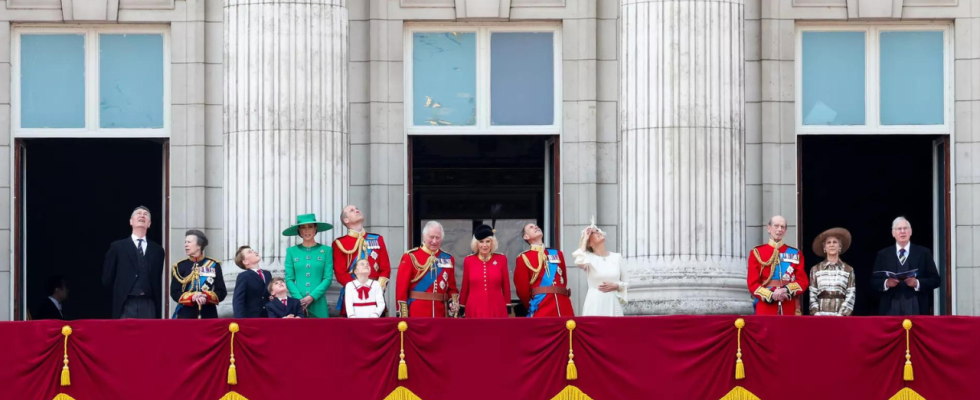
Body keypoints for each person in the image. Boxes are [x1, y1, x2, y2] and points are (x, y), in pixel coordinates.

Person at [102, 206, 166, 319]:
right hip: (126, 303)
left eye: (146, 214)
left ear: (149, 224)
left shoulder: (158, 250)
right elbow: (107, 279)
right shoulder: (117, 247)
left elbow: (157, 279)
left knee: (148, 335)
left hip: (149, 304)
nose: (142, 215)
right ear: (131, 221)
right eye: (138, 213)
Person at [871, 217, 941, 316]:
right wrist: (887, 283)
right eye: (899, 229)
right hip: (890, 305)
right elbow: (873, 282)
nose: (902, 232)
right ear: (893, 233)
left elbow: (936, 280)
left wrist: (917, 283)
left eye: (905, 228)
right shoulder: (883, 254)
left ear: (910, 231)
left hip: (916, 304)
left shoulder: (924, 253)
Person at [333, 205, 391, 316]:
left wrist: (376, 288)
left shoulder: (377, 239)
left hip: (375, 296)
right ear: (346, 220)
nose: (357, 210)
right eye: (352, 210)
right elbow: (340, 273)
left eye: (357, 208)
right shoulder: (339, 243)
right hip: (353, 298)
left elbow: (385, 268)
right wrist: (357, 288)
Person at [395, 221, 459, 318]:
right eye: (431, 237)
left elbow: (452, 288)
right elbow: (401, 289)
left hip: (440, 313)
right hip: (417, 312)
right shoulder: (410, 257)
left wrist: (452, 303)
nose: (434, 241)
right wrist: (403, 315)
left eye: (437, 238)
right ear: (423, 236)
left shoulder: (448, 258)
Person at [747, 215, 809, 315]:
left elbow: (803, 281)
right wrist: (770, 295)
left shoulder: (795, 253)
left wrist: (786, 290)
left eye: (782, 227)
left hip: (788, 304)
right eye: (776, 226)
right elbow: (752, 283)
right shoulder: (757, 252)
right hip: (765, 305)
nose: (779, 229)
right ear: (769, 228)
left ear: (785, 231)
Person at [514, 223, 574, 317]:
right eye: (531, 227)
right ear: (526, 237)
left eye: (536, 226)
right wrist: (533, 304)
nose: (536, 227)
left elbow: (563, 280)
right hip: (542, 306)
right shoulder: (523, 258)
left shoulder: (557, 253)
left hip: (563, 305)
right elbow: (522, 290)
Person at [282, 213, 335, 318]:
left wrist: (312, 297)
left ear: (315, 229)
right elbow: (289, 279)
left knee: (322, 332)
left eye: (310, 227)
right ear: (299, 231)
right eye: (303, 228)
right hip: (298, 303)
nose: (307, 231)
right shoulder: (291, 251)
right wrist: (299, 300)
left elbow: (328, 278)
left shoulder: (326, 251)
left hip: (318, 301)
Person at [571, 219, 627, 316]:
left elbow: (627, 282)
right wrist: (584, 239)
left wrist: (617, 286)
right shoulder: (588, 257)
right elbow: (579, 261)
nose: (597, 232)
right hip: (595, 303)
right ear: (590, 243)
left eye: (597, 230)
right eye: (592, 233)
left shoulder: (617, 257)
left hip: (612, 303)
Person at [170, 230, 227, 319]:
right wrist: (192, 297)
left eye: (189, 242)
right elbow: (174, 292)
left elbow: (222, 292)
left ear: (198, 246)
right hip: (186, 315)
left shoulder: (214, 265)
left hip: (208, 314)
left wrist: (206, 296)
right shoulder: (180, 266)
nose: (186, 245)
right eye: (185, 242)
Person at [460, 224, 510, 318]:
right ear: (476, 244)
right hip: (474, 307)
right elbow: (465, 286)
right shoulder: (468, 260)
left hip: (497, 307)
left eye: (488, 241)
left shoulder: (501, 259)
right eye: (481, 242)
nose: (485, 245)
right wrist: (462, 305)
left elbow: (506, 285)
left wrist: (508, 304)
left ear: (492, 243)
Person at [808, 227, 856, 316]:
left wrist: (842, 315)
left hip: (841, 318)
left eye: (835, 242)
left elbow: (851, 295)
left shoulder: (848, 269)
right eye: (828, 242)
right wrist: (816, 314)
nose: (832, 245)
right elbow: (812, 295)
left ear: (840, 247)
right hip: (820, 316)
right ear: (824, 247)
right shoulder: (815, 269)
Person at [233, 245, 272, 318]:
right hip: (252, 317)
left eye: (253, 250)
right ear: (245, 261)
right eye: (250, 252)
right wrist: (239, 320)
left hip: (268, 315)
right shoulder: (244, 276)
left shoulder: (267, 274)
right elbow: (238, 300)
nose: (254, 252)